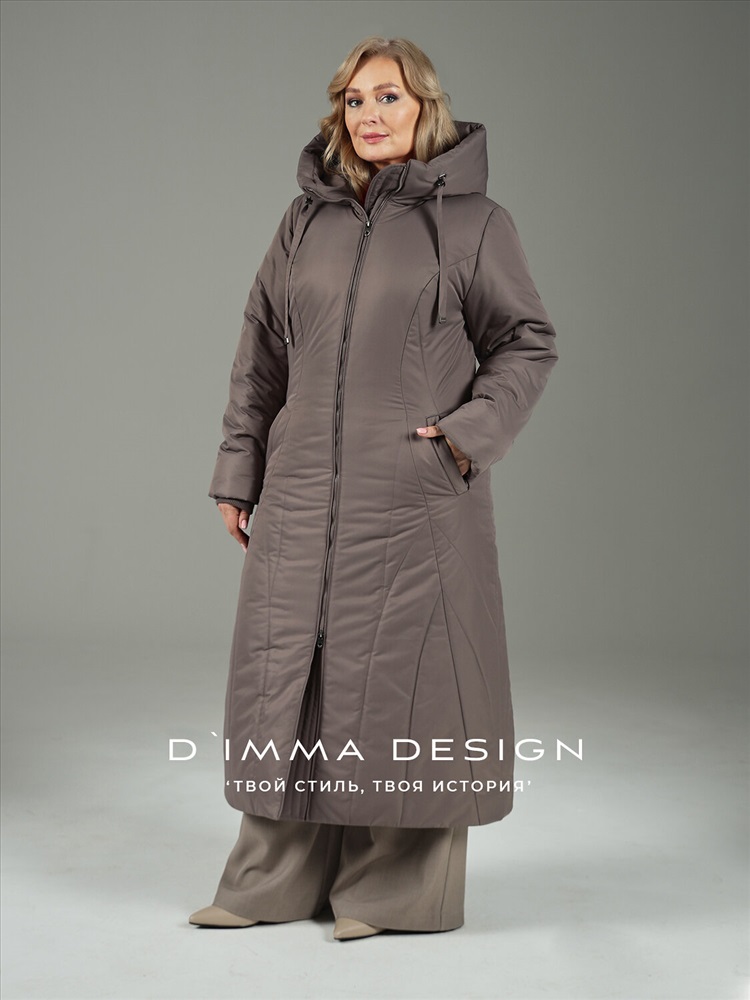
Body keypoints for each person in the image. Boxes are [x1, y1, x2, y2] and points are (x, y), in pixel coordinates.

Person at [190, 35, 559, 941]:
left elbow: (526, 342)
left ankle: (395, 890)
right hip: (301, 496)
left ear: (425, 106)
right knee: (290, 680)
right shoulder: (303, 222)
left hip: (411, 495)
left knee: (402, 685)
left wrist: (465, 440)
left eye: (388, 97)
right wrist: (241, 471)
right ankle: (272, 879)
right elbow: (259, 351)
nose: (369, 115)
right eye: (354, 101)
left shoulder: (474, 223)